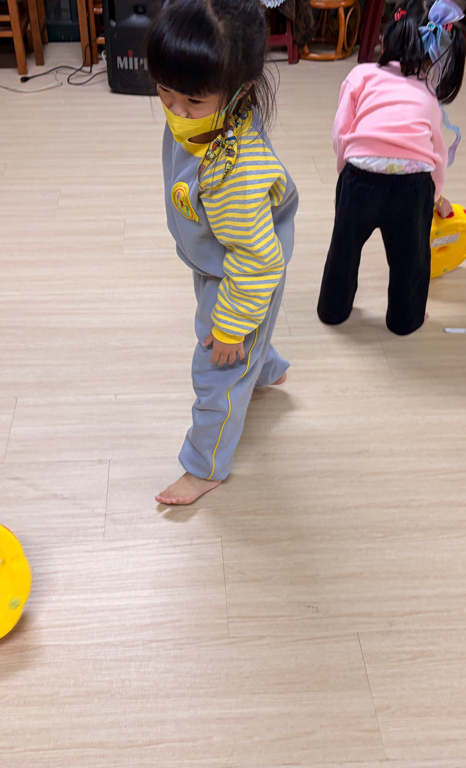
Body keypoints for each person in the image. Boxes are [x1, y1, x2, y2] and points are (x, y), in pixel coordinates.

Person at [147, 0, 299, 506]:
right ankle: (267, 367)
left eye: (192, 99)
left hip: (242, 268)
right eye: (164, 91)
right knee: (243, 342)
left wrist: (232, 326)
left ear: (240, 90)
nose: (175, 110)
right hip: (219, 252)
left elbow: (257, 262)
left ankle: (205, 466)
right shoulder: (201, 117)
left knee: (216, 369)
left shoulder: (235, 173)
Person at [317, 0, 466, 336]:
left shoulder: (360, 74)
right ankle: (405, 319)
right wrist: (435, 197)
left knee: (344, 250)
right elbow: (437, 155)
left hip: (360, 179)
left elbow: (341, 133)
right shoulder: (428, 92)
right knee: (411, 260)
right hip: (412, 188)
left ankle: (332, 310)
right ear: (432, 55)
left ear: (385, 40)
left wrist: (345, 177)